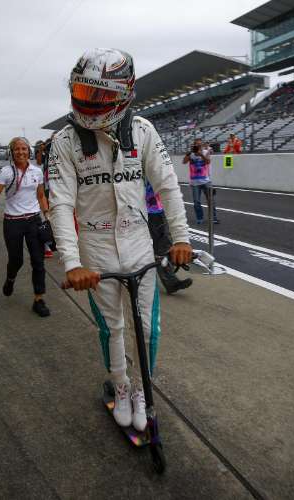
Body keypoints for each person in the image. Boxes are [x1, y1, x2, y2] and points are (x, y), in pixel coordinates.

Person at [47, 48, 192, 432]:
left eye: (101, 95)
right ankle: (122, 385)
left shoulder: (143, 130)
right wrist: (72, 263)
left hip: (139, 241)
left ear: (125, 93)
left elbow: (168, 186)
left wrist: (181, 237)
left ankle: (144, 389)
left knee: (148, 328)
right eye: (84, 91)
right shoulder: (63, 141)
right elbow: (60, 204)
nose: (90, 102)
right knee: (112, 328)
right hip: (94, 248)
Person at [0, 137, 51, 317]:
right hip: (12, 222)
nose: (21, 152)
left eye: (24, 148)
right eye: (17, 149)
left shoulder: (37, 171)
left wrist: (48, 215)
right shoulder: (6, 172)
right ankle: (10, 279)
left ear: (29, 151)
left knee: (38, 261)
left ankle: (39, 299)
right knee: (16, 260)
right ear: (11, 153)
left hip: (34, 221)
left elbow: (41, 196)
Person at [145, 181, 192, 294]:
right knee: (163, 248)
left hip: (154, 209)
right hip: (152, 210)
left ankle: (170, 281)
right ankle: (170, 282)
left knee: (162, 246)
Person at [182, 138, 219, 225]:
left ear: (202, 145)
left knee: (210, 200)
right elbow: (184, 162)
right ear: (194, 145)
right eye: (196, 145)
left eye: (199, 145)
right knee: (196, 202)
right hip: (195, 182)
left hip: (206, 181)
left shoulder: (206, 152)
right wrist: (188, 153)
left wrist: (201, 155)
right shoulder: (191, 154)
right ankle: (199, 217)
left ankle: (213, 217)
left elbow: (208, 162)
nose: (198, 146)